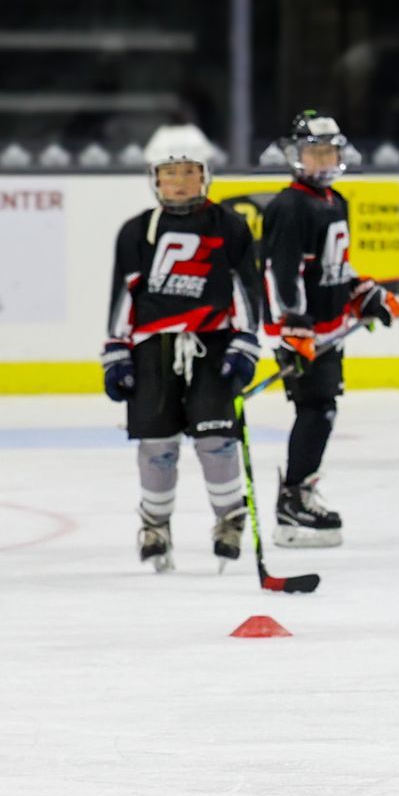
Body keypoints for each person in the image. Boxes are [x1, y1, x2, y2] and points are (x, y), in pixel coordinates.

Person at [103, 125, 263, 572]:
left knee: (217, 438)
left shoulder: (229, 227)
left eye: (188, 171)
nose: (178, 181)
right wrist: (116, 351)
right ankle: (155, 525)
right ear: (153, 178)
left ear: (205, 175)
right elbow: (124, 294)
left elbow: (247, 291)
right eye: (168, 172)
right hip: (152, 346)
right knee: (156, 441)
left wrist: (245, 344)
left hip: (213, 344)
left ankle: (229, 518)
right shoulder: (136, 232)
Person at [261, 111, 399, 547]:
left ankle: (299, 491)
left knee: (322, 408)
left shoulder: (334, 201)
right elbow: (279, 273)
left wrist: (364, 294)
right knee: (316, 409)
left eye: (328, 152)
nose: (321, 161)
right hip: (304, 334)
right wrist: (295, 326)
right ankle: (293, 498)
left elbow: (334, 267)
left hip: (327, 329)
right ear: (295, 156)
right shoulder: (288, 205)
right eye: (313, 153)